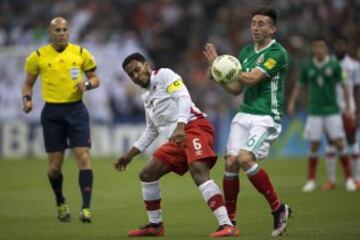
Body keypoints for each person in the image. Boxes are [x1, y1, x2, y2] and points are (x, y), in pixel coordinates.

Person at [114, 52, 239, 237]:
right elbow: (151, 130)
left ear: (146, 65)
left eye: (137, 70)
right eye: (131, 75)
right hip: (177, 138)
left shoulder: (164, 75)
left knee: (198, 171)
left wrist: (180, 126)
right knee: (147, 174)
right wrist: (129, 155)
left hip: (193, 127)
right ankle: (155, 226)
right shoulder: (145, 95)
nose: (135, 76)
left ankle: (227, 225)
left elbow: (183, 97)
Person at [203, 6, 291, 237]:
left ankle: (278, 208)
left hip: (266, 116)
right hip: (244, 114)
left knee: (244, 158)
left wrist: (218, 63)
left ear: (273, 29)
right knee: (231, 162)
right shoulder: (244, 52)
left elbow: (252, 78)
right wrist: (218, 77)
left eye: (262, 23)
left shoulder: (278, 53)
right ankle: (230, 223)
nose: (255, 27)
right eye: (253, 23)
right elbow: (235, 89)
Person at [22, 17, 100, 223]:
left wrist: (88, 85)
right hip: (52, 114)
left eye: (65, 29)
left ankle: (86, 208)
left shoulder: (80, 53)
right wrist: (27, 100)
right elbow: (28, 84)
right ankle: (60, 201)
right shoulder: (37, 56)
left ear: (69, 31)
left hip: (76, 111)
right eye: (57, 30)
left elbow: (95, 79)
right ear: (50, 32)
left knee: (83, 157)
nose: (62, 33)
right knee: (55, 167)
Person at [287, 37, 356, 192]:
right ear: (313, 49)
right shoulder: (308, 66)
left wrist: (349, 107)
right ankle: (311, 180)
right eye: (316, 47)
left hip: (332, 111)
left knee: (339, 143)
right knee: (314, 145)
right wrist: (292, 102)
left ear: (326, 49)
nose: (319, 50)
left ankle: (349, 179)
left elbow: (344, 86)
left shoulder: (334, 65)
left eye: (322, 47)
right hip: (314, 112)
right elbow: (299, 85)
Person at [322, 37, 360, 190]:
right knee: (330, 143)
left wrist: (356, 110)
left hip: (348, 109)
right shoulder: (327, 64)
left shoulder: (355, 66)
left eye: (342, 44)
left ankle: (357, 178)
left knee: (351, 141)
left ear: (346, 46)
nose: (339, 47)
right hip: (330, 109)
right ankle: (331, 181)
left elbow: (357, 90)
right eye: (337, 44)